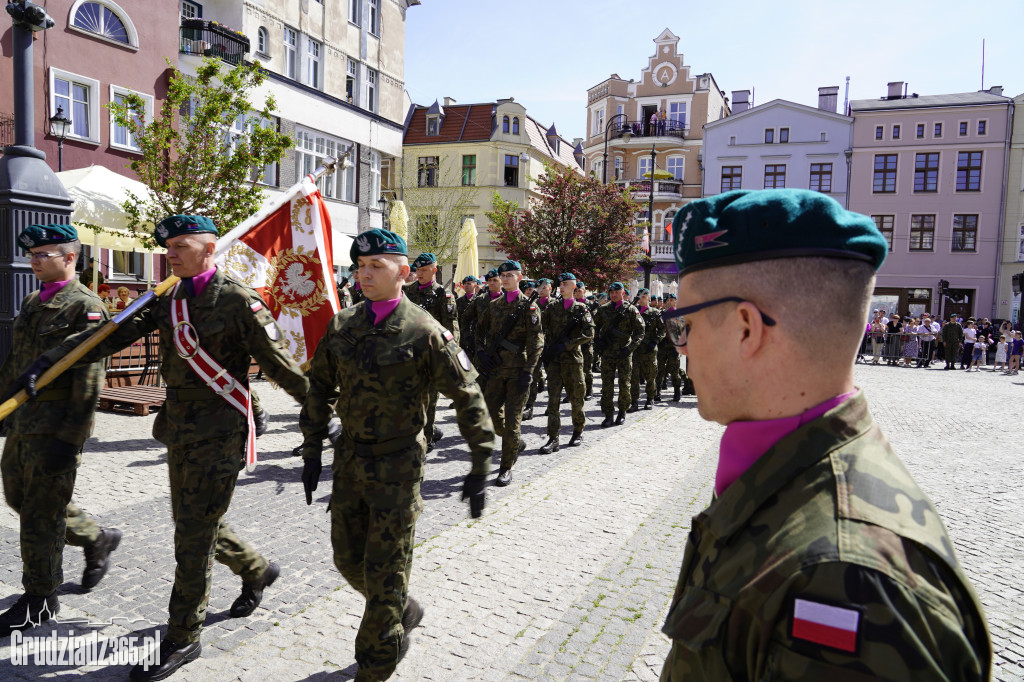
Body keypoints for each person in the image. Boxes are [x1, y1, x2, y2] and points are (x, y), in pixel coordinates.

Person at [658, 188, 990, 681]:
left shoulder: (843, 575)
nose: (681, 348)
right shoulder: (791, 482)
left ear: (746, 328)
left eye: (683, 325)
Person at [16, 215, 310, 680]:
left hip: (221, 432)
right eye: (167, 246)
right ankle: (255, 569)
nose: (170, 254)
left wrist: (322, 414)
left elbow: (280, 364)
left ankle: (182, 637)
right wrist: (50, 361)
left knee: (192, 535)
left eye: (180, 246)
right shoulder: (166, 297)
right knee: (193, 520)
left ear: (209, 249)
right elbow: (110, 334)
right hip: (178, 430)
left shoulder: (237, 301)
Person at [299, 229, 495, 681]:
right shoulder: (343, 324)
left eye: (376, 267)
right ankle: (401, 607)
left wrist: (481, 464)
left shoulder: (425, 331)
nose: (364, 274)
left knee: (384, 572)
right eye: (359, 267)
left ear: (403, 273)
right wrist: (311, 450)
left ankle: (377, 660)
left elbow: (469, 397)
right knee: (348, 560)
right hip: (350, 461)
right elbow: (320, 389)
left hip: (399, 465)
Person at [0, 224, 122, 636]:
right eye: (32, 256)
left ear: (70, 257)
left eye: (43, 255)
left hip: (55, 429)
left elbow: (89, 380)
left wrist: (71, 441)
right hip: (22, 423)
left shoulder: (85, 306)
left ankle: (40, 597)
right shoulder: (35, 300)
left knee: (39, 515)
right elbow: (18, 363)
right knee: (19, 498)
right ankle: (96, 537)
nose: (34, 262)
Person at [475, 260, 543, 486]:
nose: (505, 279)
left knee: (513, 421)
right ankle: (514, 442)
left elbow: (536, 342)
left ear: (520, 278)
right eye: (502, 275)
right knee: (490, 415)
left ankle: (506, 467)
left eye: (510, 275)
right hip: (496, 370)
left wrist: (530, 372)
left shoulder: (530, 307)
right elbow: (478, 330)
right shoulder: (495, 306)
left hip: (518, 372)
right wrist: (481, 352)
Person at [404, 252, 459, 453]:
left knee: (429, 404)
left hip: (431, 358)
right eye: (417, 270)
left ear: (434, 270)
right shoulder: (407, 292)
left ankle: (424, 442)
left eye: (424, 270)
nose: (420, 273)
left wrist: (447, 358)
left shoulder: (443, 296)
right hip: (409, 357)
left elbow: (451, 330)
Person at [538, 273, 594, 453]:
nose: (561, 287)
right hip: (554, 361)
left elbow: (589, 333)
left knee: (576, 398)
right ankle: (553, 437)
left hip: (572, 360)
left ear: (574, 286)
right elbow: (540, 327)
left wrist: (567, 345)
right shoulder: (552, 307)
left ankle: (578, 431)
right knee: (552, 400)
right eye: (560, 284)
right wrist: (545, 348)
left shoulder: (581, 309)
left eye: (565, 284)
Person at [593, 282, 644, 427]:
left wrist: (630, 348)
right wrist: (598, 341)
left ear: (623, 292)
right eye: (612, 292)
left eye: (617, 292)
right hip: (607, 352)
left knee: (624, 384)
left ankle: (622, 412)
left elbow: (640, 332)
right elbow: (593, 327)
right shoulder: (603, 310)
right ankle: (608, 414)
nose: (614, 295)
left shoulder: (631, 310)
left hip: (624, 352)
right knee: (607, 385)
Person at [630, 288, 665, 410]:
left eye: (644, 296)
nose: (641, 298)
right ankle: (634, 401)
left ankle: (650, 399)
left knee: (650, 376)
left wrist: (655, 341)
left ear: (649, 298)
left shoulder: (655, 313)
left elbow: (662, 330)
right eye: (640, 296)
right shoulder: (632, 311)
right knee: (633, 377)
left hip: (649, 350)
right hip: (635, 349)